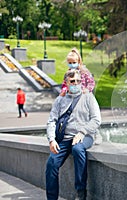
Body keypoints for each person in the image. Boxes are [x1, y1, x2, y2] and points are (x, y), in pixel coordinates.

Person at [45, 70, 101, 200]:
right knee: (51, 163)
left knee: (77, 149)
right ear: (66, 83)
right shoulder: (60, 100)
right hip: (64, 139)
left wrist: (82, 133)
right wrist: (52, 140)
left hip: (85, 136)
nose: (76, 83)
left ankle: (80, 193)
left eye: (78, 81)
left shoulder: (88, 97)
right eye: (72, 81)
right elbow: (51, 121)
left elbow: (96, 119)